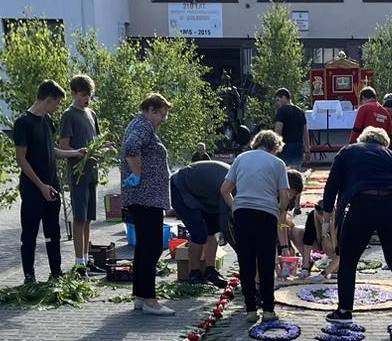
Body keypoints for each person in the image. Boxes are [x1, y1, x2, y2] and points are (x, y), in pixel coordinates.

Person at [319, 126, 392, 324]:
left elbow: (332, 186)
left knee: (348, 260)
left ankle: (344, 311)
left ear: (362, 139)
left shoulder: (348, 151)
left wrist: (326, 220)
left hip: (363, 204)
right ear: (384, 143)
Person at [14, 79, 85, 285]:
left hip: (52, 185)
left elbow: (50, 150)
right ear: (48, 100)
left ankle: (56, 273)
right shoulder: (23, 123)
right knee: (30, 233)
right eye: (58, 103)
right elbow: (21, 159)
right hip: (33, 188)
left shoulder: (47, 120)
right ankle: (29, 278)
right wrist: (41, 186)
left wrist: (75, 153)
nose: (58, 108)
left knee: (53, 231)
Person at [221, 130, 290, 322]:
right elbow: (284, 196)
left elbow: (224, 190)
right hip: (266, 214)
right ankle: (268, 310)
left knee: (246, 263)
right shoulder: (278, 163)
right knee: (266, 263)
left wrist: (235, 208)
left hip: (243, 213)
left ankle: (250, 309)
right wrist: (278, 211)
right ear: (275, 147)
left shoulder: (241, 159)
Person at [122, 93, 175, 316]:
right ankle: (150, 300)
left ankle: (140, 296)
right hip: (146, 197)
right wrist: (137, 173)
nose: (163, 120)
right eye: (162, 114)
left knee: (144, 247)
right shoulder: (143, 126)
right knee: (152, 247)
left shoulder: (140, 125)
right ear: (152, 110)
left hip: (145, 197)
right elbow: (131, 147)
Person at [60, 74, 102, 274]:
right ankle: (78, 264)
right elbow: (64, 146)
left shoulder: (92, 114)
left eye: (89, 95)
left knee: (88, 218)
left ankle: (85, 259)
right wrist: (79, 152)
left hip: (92, 172)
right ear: (74, 93)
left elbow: (96, 142)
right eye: (83, 95)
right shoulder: (68, 115)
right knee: (79, 217)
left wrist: (103, 149)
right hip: (78, 174)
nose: (87, 99)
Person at [169, 159, 232, 289]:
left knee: (213, 230)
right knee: (199, 233)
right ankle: (194, 272)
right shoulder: (230, 186)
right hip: (181, 188)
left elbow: (222, 227)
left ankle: (210, 270)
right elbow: (226, 223)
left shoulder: (236, 182)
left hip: (205, 194)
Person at [273, 88, 309, 167]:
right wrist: (307, 150)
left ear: (284, 97)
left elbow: (278, 131)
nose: (277, 103)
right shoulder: (300, 112)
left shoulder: (282, 111)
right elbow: (305, 132)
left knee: (284, 171)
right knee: (295, 172)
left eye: (278, 100)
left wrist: (275, 148)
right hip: (298, 146)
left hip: (285, 147)